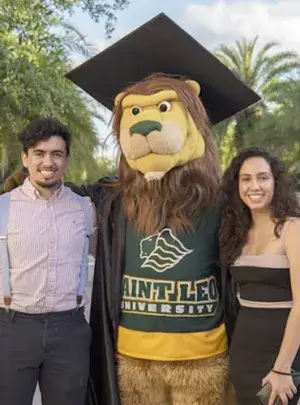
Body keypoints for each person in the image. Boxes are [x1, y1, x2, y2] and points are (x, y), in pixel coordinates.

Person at [0, 13, 260, 405]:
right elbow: (52, 186)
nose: (142, 127)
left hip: (201, 353)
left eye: (56, 155)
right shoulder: (110, 198)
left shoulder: (223, 200)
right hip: (127, 354)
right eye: (134, 114)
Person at [0, 117, 96, 405]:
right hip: (13, 328)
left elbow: (104, 254)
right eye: (39, 153)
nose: (48, 162)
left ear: (66, 160)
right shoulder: (3, 207)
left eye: (56, 154)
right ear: (25, 158)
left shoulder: (85, 209)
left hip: (69, 329)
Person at [218, 146, 300, 405]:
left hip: (282, 357)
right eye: (246, 179)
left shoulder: (292, 229)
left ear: (276, 181)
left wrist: (282, 368)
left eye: (263, 177)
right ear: (237, 186)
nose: (255, 186)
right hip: (243, 354)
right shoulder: (237, 233)